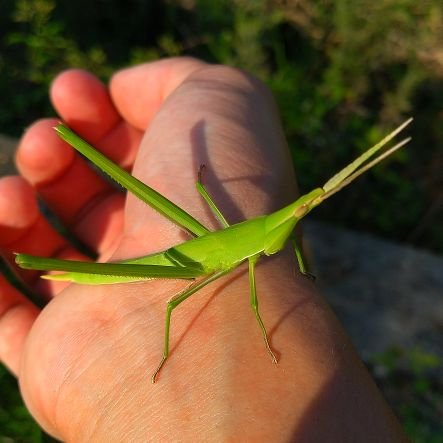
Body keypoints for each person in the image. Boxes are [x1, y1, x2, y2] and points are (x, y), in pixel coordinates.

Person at [0, 58, 407, 441]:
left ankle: (41, 259)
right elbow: (237, 300)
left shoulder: (275, 230)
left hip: (211, 245)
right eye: (301, 208)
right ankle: (43, 248)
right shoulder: (256, 254)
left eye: (303, 210)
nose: (300, 212)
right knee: (176, 302)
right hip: (183, 264)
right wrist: (261, 332)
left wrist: (297, 255)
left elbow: (279, 233)